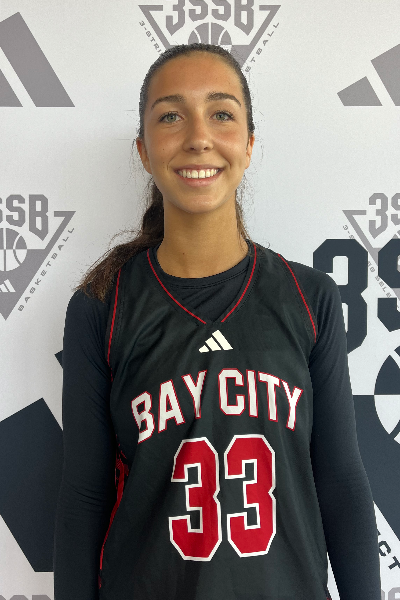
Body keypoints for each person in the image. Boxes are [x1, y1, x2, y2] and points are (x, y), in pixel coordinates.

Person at [53, 43, 381, 600]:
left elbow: (341, 483)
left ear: (249, 143)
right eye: (171, 116)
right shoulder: (101, 305)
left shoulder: (309, 297)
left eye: (222, 113)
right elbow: (85, 497)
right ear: (143, 150)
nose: (198, 137)